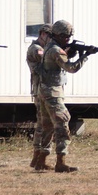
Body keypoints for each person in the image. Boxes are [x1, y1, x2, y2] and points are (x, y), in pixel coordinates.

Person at [37, 19, 88, 173]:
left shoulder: (50, 46)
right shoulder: (55, 50)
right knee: (62, 126)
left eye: (69, 37)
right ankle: (61, 162)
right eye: (65, 36)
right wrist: (84, 57)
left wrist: (70, 51)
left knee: (47, 128)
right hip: (53, 93)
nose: (67, 39)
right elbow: (70, 68)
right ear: (56, 35)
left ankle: (41, 161)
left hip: (44, 91)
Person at [26, 24, 53, 171]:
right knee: (43, 125)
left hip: (43, 89)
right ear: (42, 34)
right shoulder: (36, 49)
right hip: (40, 90)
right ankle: (37, 157)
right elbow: (48, 59)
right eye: (49, 36)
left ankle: (37, 158)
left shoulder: (43, 48)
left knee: (43, 125)